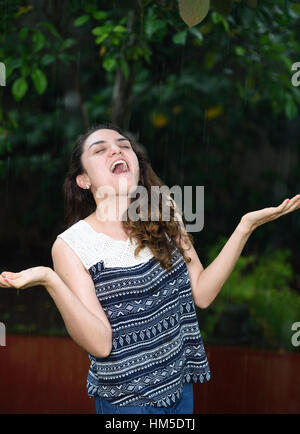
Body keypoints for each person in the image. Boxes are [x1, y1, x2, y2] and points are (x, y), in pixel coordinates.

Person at [1, 123, 299, 415]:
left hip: (179, 385)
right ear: (83, 180)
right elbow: (101, 344)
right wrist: (49, 279)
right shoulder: (72, 245)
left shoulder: (164, 211)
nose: (116, 150)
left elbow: (203, 294)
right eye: (100, 149)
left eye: (123, 145)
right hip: (127, 400)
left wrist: (245, 227)